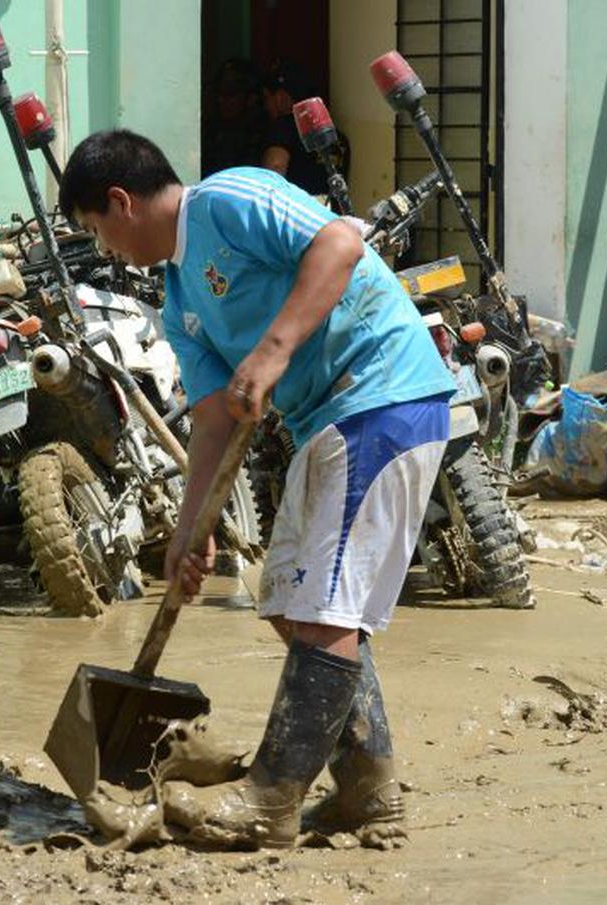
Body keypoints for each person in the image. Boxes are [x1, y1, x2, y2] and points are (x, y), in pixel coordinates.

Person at [59, 130, 456, 850]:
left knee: (325, 603)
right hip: (328, 422)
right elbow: (212, 419)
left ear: (120, 201)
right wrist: (190, 528)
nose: (107, 249)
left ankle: (272, 796)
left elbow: (337, 244)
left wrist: (272, 351)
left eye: (97, 230)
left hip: (376, 391)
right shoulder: (179, 296)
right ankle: (369, 786)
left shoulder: (229, 199)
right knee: (287, 595)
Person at [260, 59, 347, 197]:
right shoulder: (337, 137)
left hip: (295, 215)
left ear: (281, 98)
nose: (265, 106)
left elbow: (274, 171)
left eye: (266, 98)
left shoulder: (283, 128)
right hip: (329, 215)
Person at [202, 58, 267, 177]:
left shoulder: (261, 131)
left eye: (231, 94)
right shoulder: (211, 129)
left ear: (251, 98)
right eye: (220, 93)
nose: (223, 100)